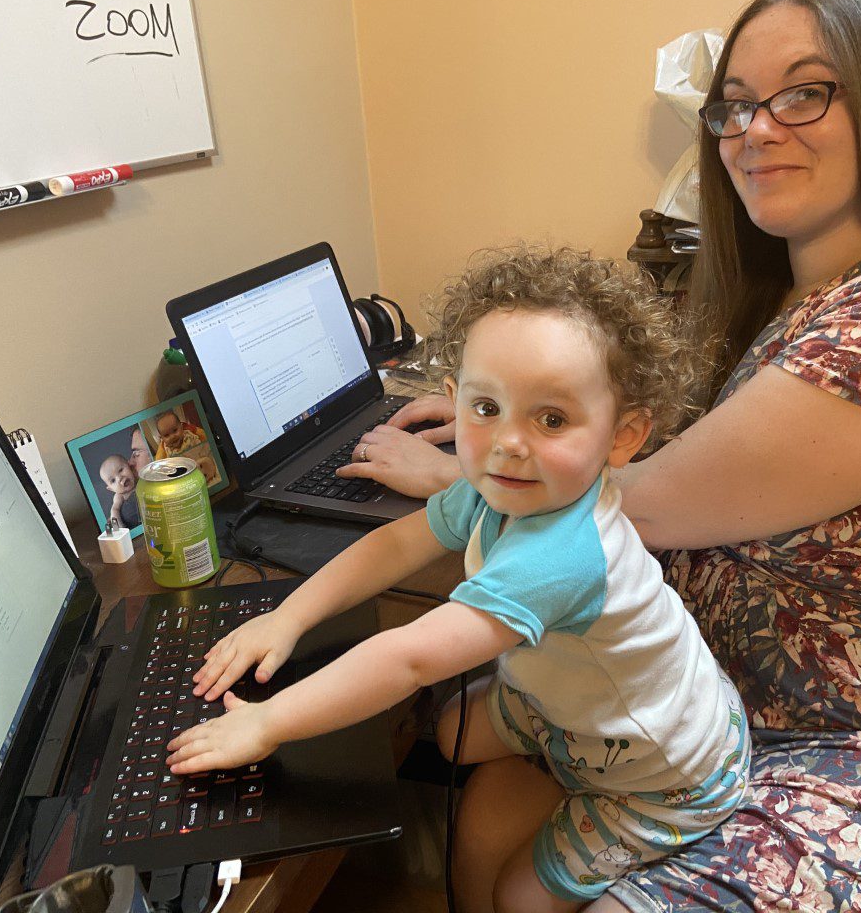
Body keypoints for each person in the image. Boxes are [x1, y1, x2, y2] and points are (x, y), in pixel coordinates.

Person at [337, 0, 861, 912]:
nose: (756, 129)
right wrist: (511, 410)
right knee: (490, 813)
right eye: (734, 104)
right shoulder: (791, 284)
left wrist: (463, 466)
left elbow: (642, 503)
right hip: (730, 691)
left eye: (805, 92)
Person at [166, 247, 752, 910]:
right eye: (485, 408)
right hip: (587, 696)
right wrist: (287, 617)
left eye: (551, 418)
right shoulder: (499, 487)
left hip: (659, 772)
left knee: (520, 899)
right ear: (454, 401)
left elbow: (409, 658)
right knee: (449, 734)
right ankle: (555, 735)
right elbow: (395, 544)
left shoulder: (561, 556)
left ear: (624, 436)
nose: (508, 441)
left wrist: (267, 725)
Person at [98, 453, 140, 529]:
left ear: (129, 466)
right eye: (113, 480)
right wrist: (119, 528)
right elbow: (114, 510)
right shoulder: (119, 496)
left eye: (120, 470)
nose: (119, 478)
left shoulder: (139, 479)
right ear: (111, 489)